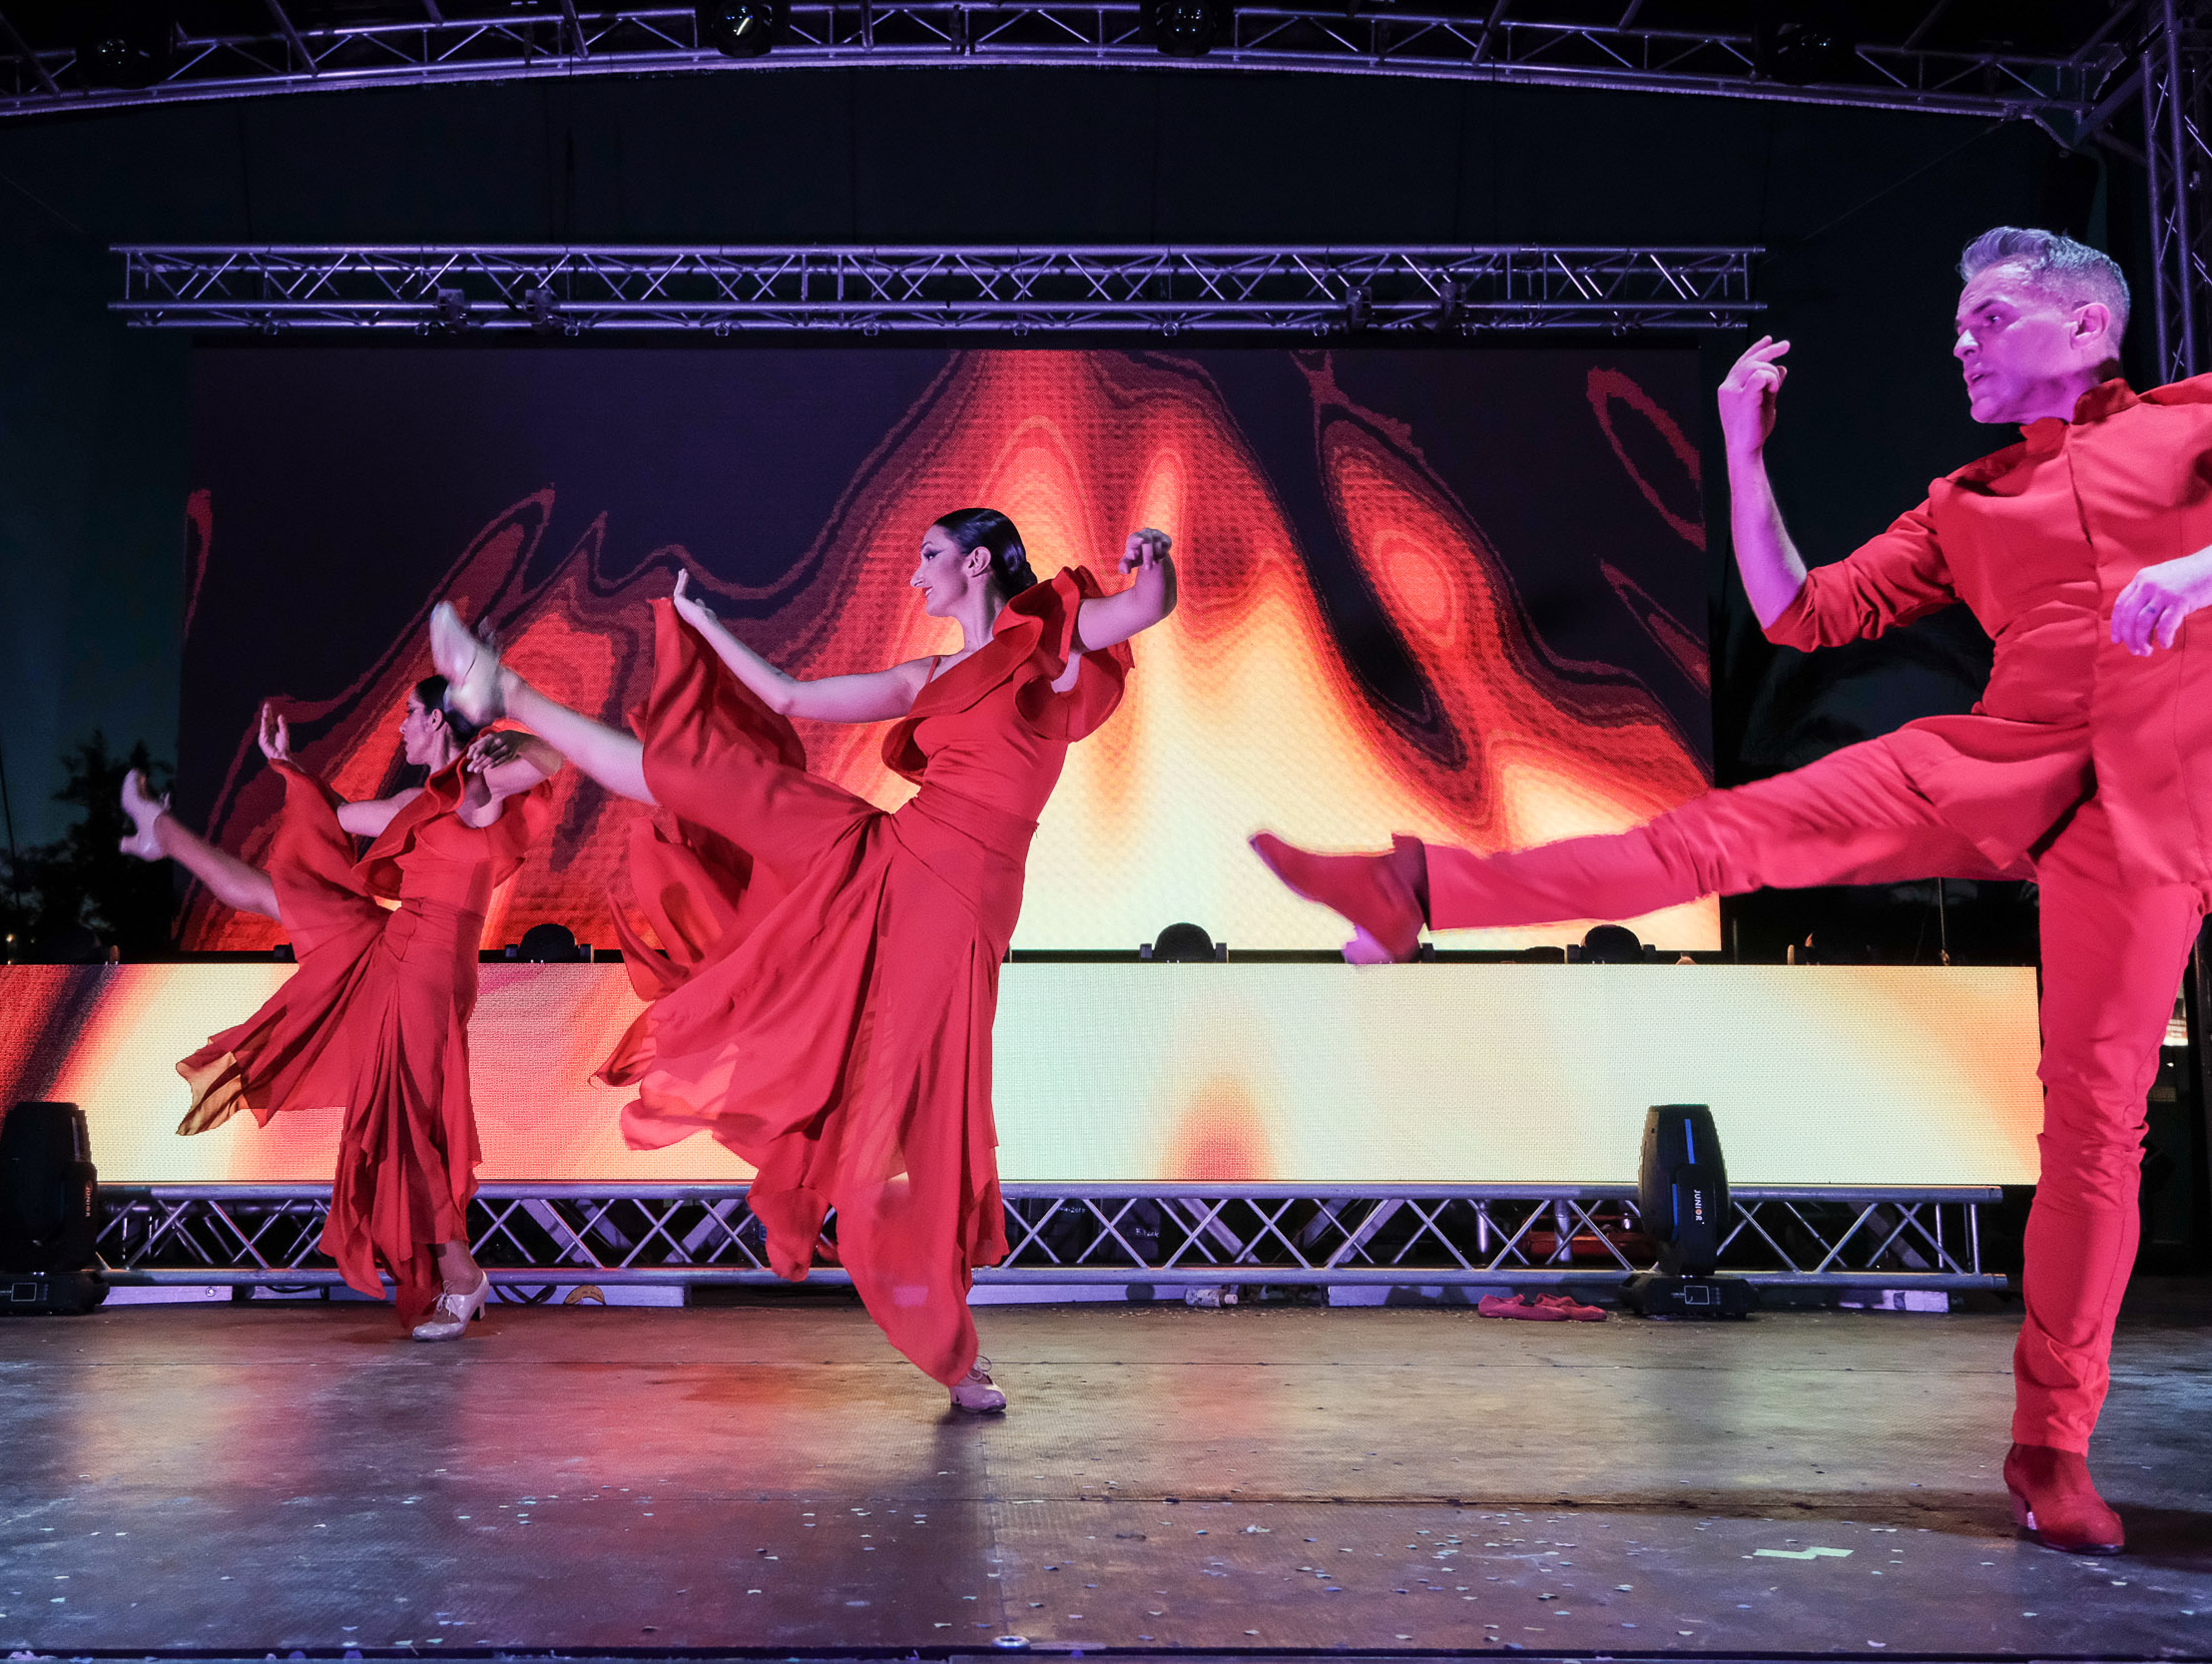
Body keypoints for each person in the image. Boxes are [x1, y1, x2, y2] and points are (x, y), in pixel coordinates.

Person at [1252, 226, 2212, 1556]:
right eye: (1959, 318)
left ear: (2087, 328)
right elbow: (1798, 614)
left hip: (2165, 800)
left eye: (1987, 315)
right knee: (1731, 835)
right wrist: (1743, 455)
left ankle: (2051, 1447)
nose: (1958, 340)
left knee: (2098, 1129)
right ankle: (1419, 887)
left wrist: (2197, 565)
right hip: (2004, 756)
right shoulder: (1967, 500)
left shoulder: (2192, 423)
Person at [428, 510, 1177, 1411]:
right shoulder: (927, 675)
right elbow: (788, 697)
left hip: (956, 909)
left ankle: (953, 1345)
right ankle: (499, 687)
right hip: (886, 858)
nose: (914, 576)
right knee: (703, 774)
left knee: (914, 1126)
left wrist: (1152, 561)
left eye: (930, 557)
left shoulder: (1042, 639)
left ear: (978, 561)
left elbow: (1143, 605)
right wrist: (704, 627)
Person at [120, 678, 559, 1339]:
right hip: (394, 953)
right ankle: (162, 832)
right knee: (280, 899)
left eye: (410, 715)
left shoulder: (475, 788)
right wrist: (288, 769)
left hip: (432, 971)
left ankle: (462, 1275)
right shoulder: (418, 800)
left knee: (410, 1121)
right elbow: (336, 817)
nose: (401, 727)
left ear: (439, 718)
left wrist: (497, 735)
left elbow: (551, 756)